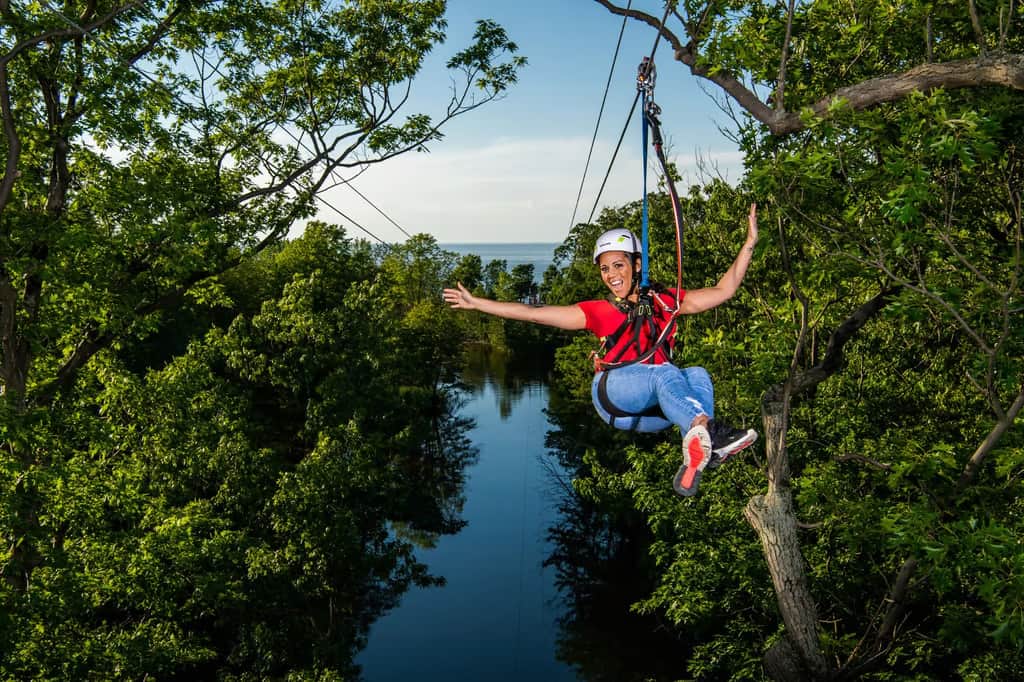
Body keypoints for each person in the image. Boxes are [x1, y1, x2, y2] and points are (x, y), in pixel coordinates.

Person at [442, 204, 760, 497]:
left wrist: (748, 245)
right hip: (614, 396)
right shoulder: (600, 311)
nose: (611, 276)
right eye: (605, 269)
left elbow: (724, 290)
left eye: (618, 265)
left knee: (697, 373)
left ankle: (701, 442)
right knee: (667, 373)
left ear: (637, 265)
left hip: (657, 413)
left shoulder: (666, 302)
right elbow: (535, 313)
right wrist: (477, 303)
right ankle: (706, 433)